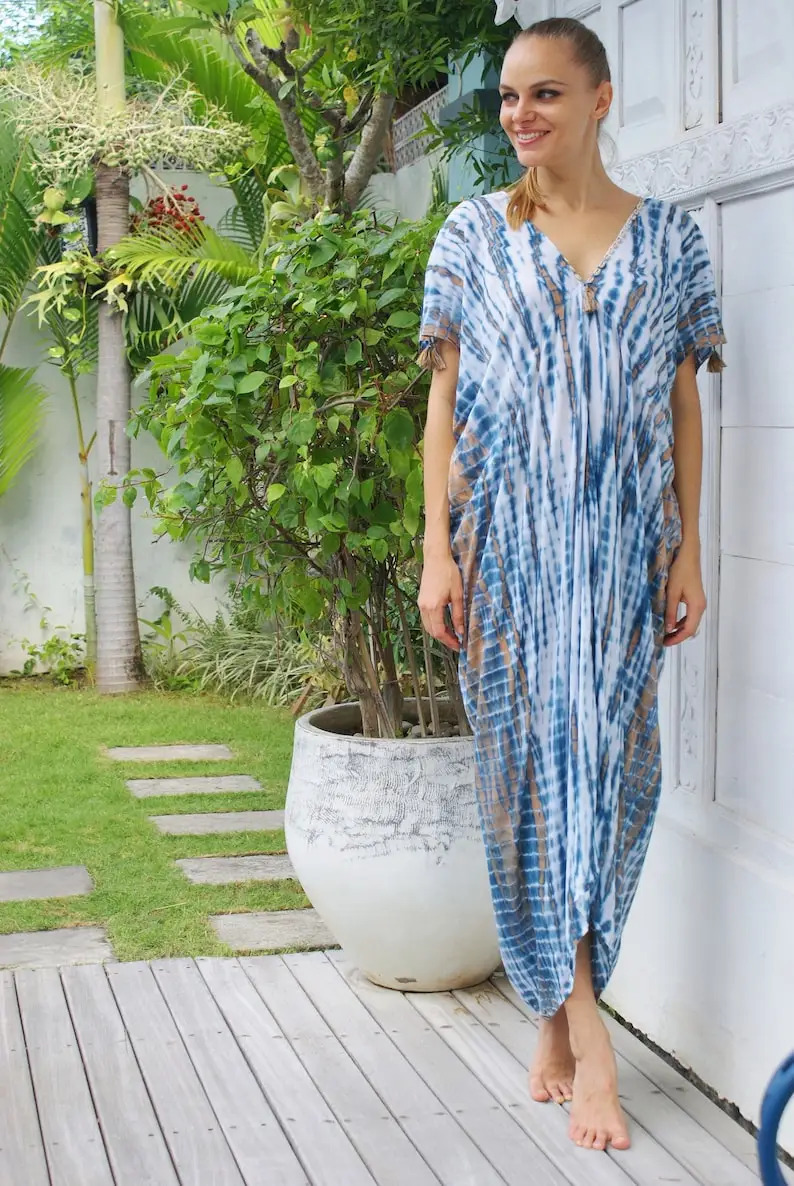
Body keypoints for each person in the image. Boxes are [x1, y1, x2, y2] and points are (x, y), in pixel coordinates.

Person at [417, 16, 725, 1155]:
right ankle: (590, 1039)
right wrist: (436, 549)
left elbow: (682, 406)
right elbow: (443, 406)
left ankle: (551, 1010)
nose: (518, 114)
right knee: (532, 787)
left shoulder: (671, 242)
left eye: (543, 93)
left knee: (609, 784)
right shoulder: (472, 235)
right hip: (508, 559)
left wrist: (688, 550)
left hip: (621, 565)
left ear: (600, 99)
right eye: (508, 96)